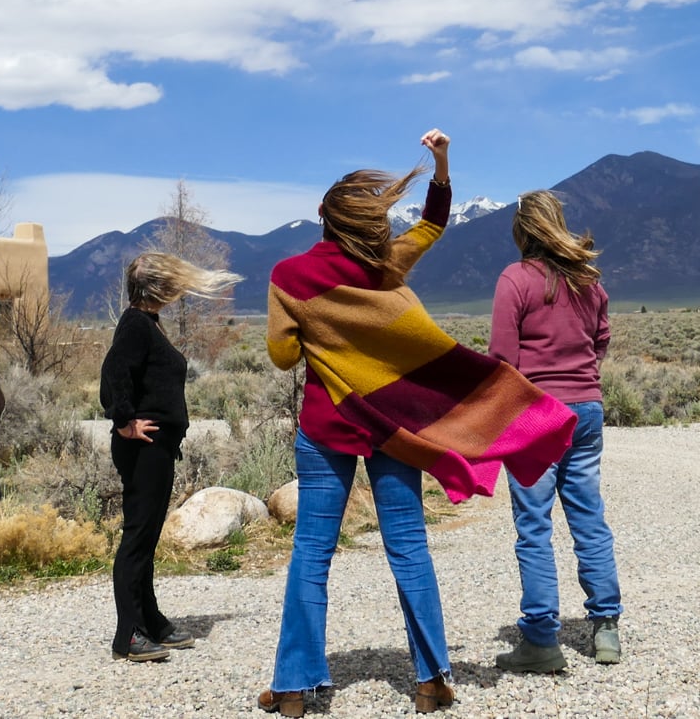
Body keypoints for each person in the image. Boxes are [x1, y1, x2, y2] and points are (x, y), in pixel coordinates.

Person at [259, 130, 577, 717]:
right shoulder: (386, 268)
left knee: (311, 552)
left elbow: (282, 355)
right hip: (393, 431)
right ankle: (432, 679)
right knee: (407, 546)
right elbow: (430, 227)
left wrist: (310, 337)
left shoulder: (289, 275)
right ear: (370, 224)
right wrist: (442, 166)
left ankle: (294, 688)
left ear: (324, 220)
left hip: (326, 428)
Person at [488, 189, 623, 672]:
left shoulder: (516, 279)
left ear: (522, 230)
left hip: (536, 414)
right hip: (586, 407)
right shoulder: (591, 282)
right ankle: (606, 628)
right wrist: (580, 378)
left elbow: (503, 358)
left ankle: (542, 641)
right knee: (589, 517)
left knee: (533, 527)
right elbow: (601, 339)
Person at [99, 249, 242, 662]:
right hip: (142, 449)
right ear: (158, 287)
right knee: (137, 540)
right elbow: (113, 376)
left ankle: (151, 622)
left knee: (146, 537)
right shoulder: (135, 326)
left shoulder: (146, 323)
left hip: (155, 449)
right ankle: (127, 635)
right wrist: (125, 421)